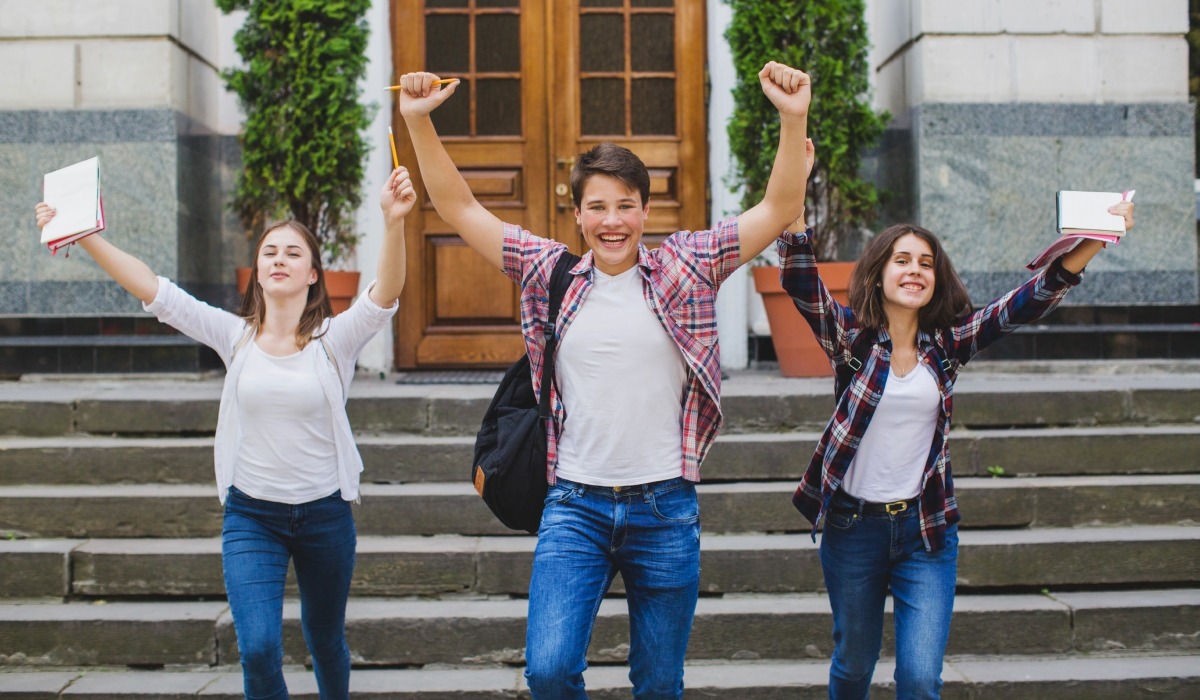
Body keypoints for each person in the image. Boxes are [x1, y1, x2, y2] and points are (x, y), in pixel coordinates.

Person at [397, 62, 812, 699]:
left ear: (646, 209)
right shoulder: (548, 273)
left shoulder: (687, 266)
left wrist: (792, 116)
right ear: (578, 214)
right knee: (550, 669)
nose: (611, 220)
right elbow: (457, 205)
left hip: (665, 507)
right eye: (597, 206)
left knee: (658, 681)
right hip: (575, 506)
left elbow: (780, 206)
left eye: (625, 205)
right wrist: (419, 123)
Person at [35, 165, 416, 700]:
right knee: (258, 649)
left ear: (313, 275)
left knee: (324, 637)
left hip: (325, 514)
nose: (279, 259)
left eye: (293, 253)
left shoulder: (338, 338)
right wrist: (86, 234)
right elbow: (156, 291)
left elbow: (384, 295)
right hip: (252, 516)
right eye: (269, 252)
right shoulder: (232, 335)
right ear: (256, 271)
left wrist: (393, 222)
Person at [778, 195, 1136, 699]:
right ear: (878, 273)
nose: (915, 271)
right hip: (853, 527)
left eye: (926, 263)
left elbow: (1026, 302)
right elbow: (800, 280)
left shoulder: (947, 343)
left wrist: (1098, 238)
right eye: (901, 260)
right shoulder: (851, 339)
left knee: (921, 677)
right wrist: (793, 202)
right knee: (855, 662)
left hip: (925, 529)